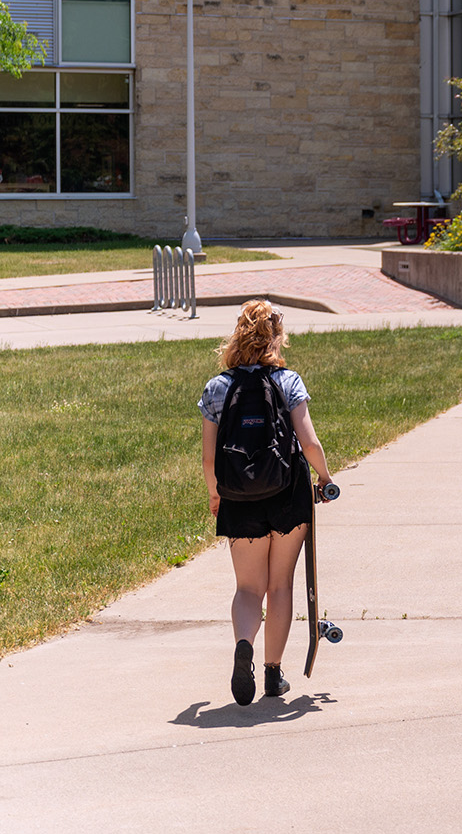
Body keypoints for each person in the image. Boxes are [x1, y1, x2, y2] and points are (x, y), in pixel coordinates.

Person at [199, 300, 333, 705]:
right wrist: (326, 479)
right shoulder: (287, 381)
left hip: (238, 495)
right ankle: (273, 674)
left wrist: (215, 494)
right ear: (275, 338)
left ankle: (245, 645)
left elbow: (209, 458)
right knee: (280, 585)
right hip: (287, 491)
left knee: (248, 587)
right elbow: (308, 442)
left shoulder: (218, 388)